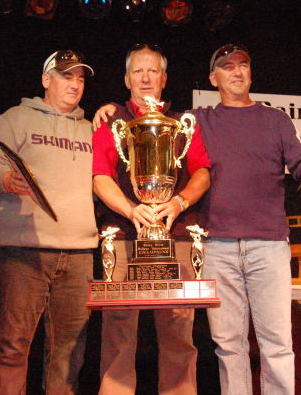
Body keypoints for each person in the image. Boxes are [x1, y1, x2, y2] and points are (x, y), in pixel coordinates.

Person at [194, 44, 301, 395]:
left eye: (243, 65)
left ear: (251, 73)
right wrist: (112, 109)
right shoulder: (198, 120)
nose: (237, 71)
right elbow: (154, 119)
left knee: (277, 344)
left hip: (268, 246)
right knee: (228, 345)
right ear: (213, 78)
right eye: (227, 66)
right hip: (216, 246)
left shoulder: (275, 120)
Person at [92, 43, 211, 395]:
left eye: (153, 71)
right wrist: (131, 209)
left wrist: (179, 201)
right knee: (117, 333)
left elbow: (202, 173)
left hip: (177, 236)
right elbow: (99, 177)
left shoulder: (183, 123)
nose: (145, 78)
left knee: (179, 332)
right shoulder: (110, 121)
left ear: (164, 79)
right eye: (138, 71)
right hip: (123, 236)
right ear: (127, 79)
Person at [0, 50, 98, 395]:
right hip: (24, 250)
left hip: (79, 253)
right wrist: (5, 179)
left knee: (69, 353)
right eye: (66, 76)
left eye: (80, 78)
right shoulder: (15, 118)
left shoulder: (91, 129)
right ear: (46, 80)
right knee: (12, 346)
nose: (74, 84)